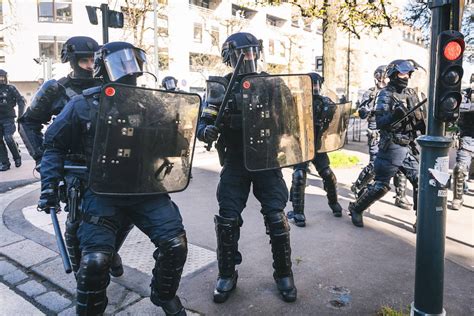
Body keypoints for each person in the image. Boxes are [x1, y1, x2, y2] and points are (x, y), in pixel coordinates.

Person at [37, 41, 188, 315]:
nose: (130, 71)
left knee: (174, 243)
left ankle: (163, 293)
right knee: (94, 261)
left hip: (144, 189)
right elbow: (53, 146)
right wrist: (48, 185)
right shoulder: (81, 105)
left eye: (134, 63)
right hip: (100, 190)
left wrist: (178, 128)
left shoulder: (150, 102)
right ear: (101, 68)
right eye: (121, 63)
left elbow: (174, 143)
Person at [198, 32, 297, 303]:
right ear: (229, 56)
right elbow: (205, 118)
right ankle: (227, 273)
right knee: (227, 218)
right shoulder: (220, 86)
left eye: (253, 51)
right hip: (236, 161)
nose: (249, 56)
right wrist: (206, 130)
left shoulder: (274, 85)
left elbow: (291, 122)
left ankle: (284, 273)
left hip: (266, 161)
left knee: (277, 217)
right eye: (244, 52)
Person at [349, 59, 424, 229]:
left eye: (407, 73)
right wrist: (395, 116)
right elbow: (381, 122)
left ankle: (421, 219)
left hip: (408, 145)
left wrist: (420, 120)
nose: (405, 77)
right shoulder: (385, 94)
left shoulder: (411, 92)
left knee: (421, 183)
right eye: (402, 73)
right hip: (391, 146)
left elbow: (419, 122)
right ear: (393, 74)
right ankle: (356, 208)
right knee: (381, 186)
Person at [18, 36, 102, 168]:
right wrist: (41, 158)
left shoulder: (107, 87)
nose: (90, 66)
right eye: (84, 61)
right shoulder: (56, 89)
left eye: (93, 60)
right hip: (71, 165)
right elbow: (27, 123)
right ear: (73, 62)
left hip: (104, 162)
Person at [351, 65, 412, 210]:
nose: (383, 79)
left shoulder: (397, 92)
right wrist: (371, 110)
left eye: (385, 76)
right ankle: (359, 187)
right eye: (380, 76)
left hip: (393, 134)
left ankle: (400, 196)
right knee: (374, 164)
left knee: (399, 165)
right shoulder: (371, 93)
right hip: (376, 131)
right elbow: (362, 111)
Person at [287, 72, 342, 227]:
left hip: (317, 146)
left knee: (327, 174)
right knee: (299, 175)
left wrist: (328, 109)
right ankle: (298, 213)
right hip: (302, 146)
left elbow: (334, 120)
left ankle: (334, 203)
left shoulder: (325, 102)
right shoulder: (297, 102)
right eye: (312, 84)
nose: (315, 87)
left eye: (317, 84)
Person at [452, 77, 474, 210]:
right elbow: (456, 107)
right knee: (459, 169)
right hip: (468, 138)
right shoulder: (465, 94)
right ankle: (457, 198)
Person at [0, 69, 25, 171]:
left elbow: (21, 101)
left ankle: (17, 157)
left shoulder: (11, 88)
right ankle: (4, 163)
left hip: (8, 118)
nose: (1, 79)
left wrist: (20, 117)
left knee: (9, 138)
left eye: (2, 77)